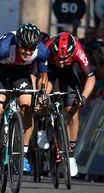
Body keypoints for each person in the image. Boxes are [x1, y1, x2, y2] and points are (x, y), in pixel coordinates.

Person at [0, 23, 49, 173]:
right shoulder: (3, 47)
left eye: (31, 49)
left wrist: (42, 93)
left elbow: (43, 76)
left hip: (20, 73)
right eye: (24, 48)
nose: (28, 53)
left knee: (27, 107)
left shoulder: (42, 51)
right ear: (17, 42)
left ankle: (23, 154)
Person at [38, 32, 96, 176]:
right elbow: (41, 76)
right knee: (44, 93)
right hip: (49, 71)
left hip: (68, 74)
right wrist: (42, 94)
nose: (61, 62)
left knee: (73, 113)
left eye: (65, 59)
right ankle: (43, 126)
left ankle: (70, 156)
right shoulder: (46, 48)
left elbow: (91, 78)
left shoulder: (78, 50)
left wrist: (83, 97)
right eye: (58, 58)